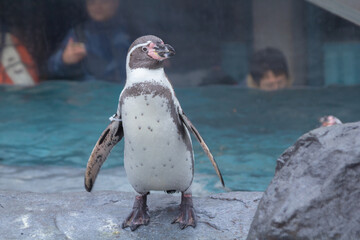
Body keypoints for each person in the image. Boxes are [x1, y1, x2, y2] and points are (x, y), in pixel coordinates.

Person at [47, 0, 130, 83]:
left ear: (116, 3)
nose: (97, 7)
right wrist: (64, 59)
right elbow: (51, 68)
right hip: (91, 91)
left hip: (130, 90)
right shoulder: (79, 33)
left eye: (104, 2)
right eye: (92, 3)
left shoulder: (131, 31)